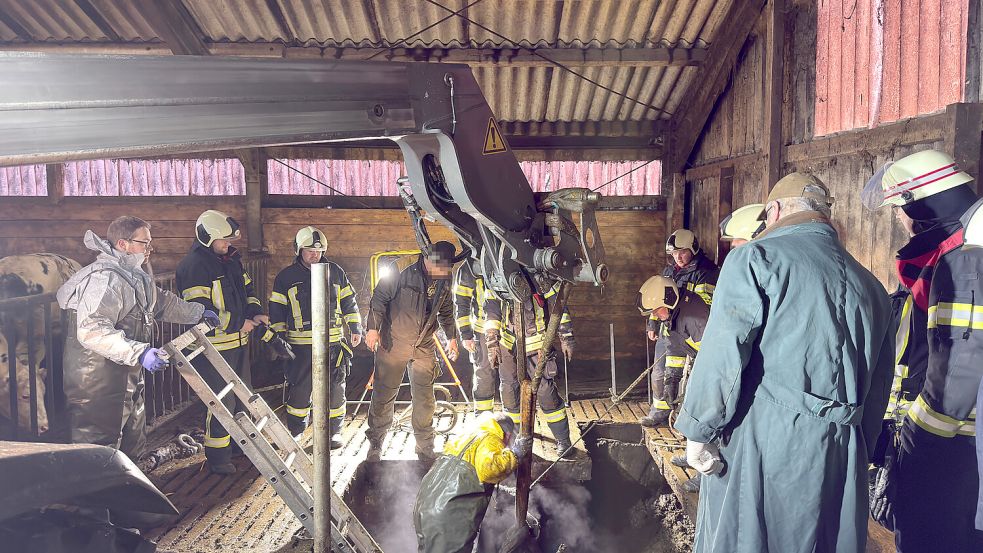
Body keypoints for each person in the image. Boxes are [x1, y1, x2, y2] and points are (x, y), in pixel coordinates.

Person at [674, 172, 894, 553]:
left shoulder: (754, 258)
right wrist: (859, 450)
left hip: (767, 445)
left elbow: (723, 351)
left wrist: (698, 429)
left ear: (773, 211)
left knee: (750, 537)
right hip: (843, 452)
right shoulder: (873, 287)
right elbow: (878, 388)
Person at [866, 150, 983, 552]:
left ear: (921, 205)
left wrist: (915, 441)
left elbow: (957, 372)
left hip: (950, 455)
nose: (900, 220)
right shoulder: (953, 254)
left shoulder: (963, 260)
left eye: (900, 208)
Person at [57, 216, 214, 459]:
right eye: (145, 243)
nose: (150, 249)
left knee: (132, 435)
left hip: (125, 370)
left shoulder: (132, 275)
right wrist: (139, 352)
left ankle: (130, 488)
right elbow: (91, 329)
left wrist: (198, 313)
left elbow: (160, 302)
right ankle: (99, 497)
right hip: (97, 378)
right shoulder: (104, 279)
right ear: (123, 244)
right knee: (98, 445)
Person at [176, 209, 271, 475]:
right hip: (213, 347)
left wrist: (255, 312)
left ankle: (238, 446)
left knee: (241, 399)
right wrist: (237, 322)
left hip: (237, 342)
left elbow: (248, 291)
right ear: (207, 237)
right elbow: (199, 310)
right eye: (223, 240)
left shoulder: (230, 261)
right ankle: (217, 457)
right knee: (221, 402)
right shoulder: (195, 267)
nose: (228, 244)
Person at [364, 241, 460, 461]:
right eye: (441, 268)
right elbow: (378, 299)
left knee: (425, 399)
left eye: (447, 269)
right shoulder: (400, 268)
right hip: (393, 342)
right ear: (429, 259)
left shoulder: (445, 276)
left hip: (424, 344)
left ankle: (425, 448)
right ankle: (376, 443)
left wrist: (452, 337)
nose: (443, 273)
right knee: (384, 394)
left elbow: (446, 309)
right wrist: (372, 329)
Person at [268, 226, 362, 446]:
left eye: (319, 251)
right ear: (298, 250)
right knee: (300, 390)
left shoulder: (335, 271)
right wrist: (278, 339)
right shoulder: (285, 277)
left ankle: (334, 432)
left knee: (336, 389)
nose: (315, 255)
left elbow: (349, 301)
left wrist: (356, 327)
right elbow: (277, 310)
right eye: (309, 250)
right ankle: (297, 431)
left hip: (333, 343)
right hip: (300, 346)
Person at [413, 412, 531, 553]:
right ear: (508, 435)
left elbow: (463, 477)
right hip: (449, 516)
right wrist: (515, 454)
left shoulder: (466, 437)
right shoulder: (491, 439)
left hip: (425, 507)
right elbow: (489, 469)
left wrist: (504, 491)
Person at [483, 276, 575, 456]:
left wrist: (566, 336)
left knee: (545, 392)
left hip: (538, 345)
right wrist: (492, 341)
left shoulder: (541, 273)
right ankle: (516, 438)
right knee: (509, 392)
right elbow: (491, 309)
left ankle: (563, 440)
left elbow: (559, 306)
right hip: (509, 344)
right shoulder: (497, 275)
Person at [636, 275, 710, 492]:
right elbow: (675, 348)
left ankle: (704, 472)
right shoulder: (672, 314)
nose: (655, 316)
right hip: (701, 362)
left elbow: (715, 356)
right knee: (689, 409)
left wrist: (703, 385)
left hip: (713, 367)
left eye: (657, 310)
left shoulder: (696, 318)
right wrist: (671, 380)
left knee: (705, 417)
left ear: (668, 299)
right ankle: (692, 455)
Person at [641, 229, 719, 427]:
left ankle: (685, 420)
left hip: (693, 332)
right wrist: (653, 323)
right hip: (668, 331)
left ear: (693, 248)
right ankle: (660, 412)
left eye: (682, 252)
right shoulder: (668, 272)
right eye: (674, 254)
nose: (678, 257)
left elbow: (707, 306)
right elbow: (656, 302)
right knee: (660, 374)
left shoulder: (707, 273)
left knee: (690, 379)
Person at [454, 258, 494, 413]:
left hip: (509, 329)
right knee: (483, 376)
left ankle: (512, 424)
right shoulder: (469, 267)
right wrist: (465, 334)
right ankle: (483, 420)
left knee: (510, 380)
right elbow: (461, 302)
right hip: (482, 331)